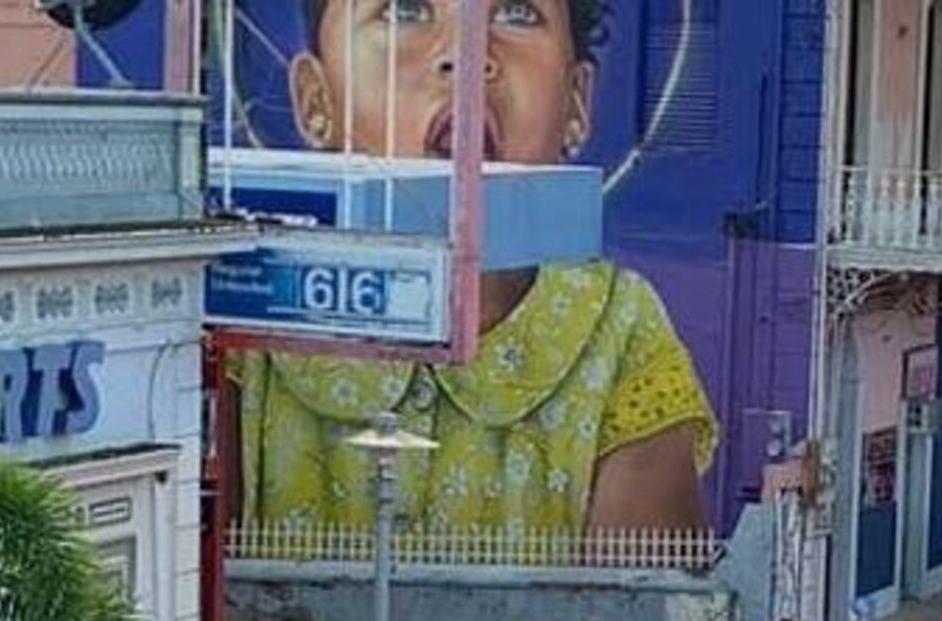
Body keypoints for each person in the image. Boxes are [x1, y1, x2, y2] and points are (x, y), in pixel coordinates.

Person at [238, 0, 716, 542]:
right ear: (315, 98)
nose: (466, 57)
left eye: (515, 13)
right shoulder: (246, 317)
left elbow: (640, 610)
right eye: (404, 10)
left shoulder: (620, 334)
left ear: (576, 102)